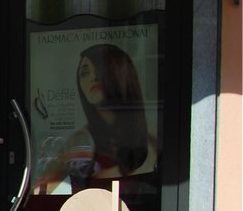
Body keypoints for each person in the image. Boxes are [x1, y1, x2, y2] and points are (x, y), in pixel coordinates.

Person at [35, 44, 157, 193]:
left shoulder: (151, 136)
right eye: (84, 73)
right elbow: (43, 188)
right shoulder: (81, 140)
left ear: (120, 73)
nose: (93, 78)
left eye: (100, 69)